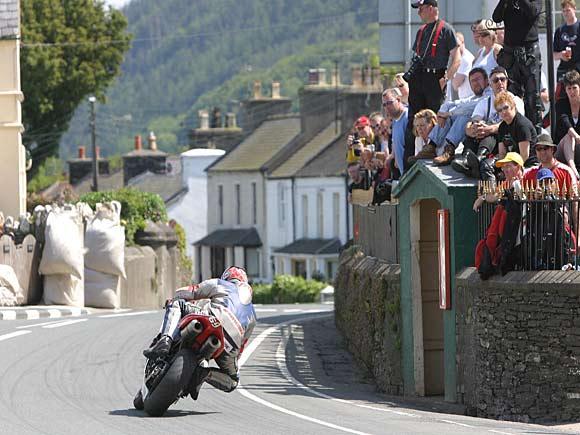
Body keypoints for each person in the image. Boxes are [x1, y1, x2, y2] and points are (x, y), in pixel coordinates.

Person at [143, 266, 257, 396]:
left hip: (212, 318)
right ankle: (203, 374)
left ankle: (166, 340)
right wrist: (231, 355)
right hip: (229, 344)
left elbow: (191, 291)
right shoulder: (253, 315)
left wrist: (174, 297)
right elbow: (241, 348)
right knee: (233, 381)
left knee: (177, 304)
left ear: (227, 277)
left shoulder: (221, 284)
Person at [404, 0, 461, 170]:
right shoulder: (421, 31)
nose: (419, 13)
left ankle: (435, 153)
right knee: (414, 121)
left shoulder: (446, 29)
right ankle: (412, 161)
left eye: (421, 9)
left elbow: (456, 58)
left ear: (430, 8)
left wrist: (446, 78)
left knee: (435, 119)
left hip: (435, 77)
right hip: (419, 78)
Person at [451, 66, 525, 177]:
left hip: (508, 139)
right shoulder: (485, 102)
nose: (500, 83)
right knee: (478, 127)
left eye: (502, 79)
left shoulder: (515, 100)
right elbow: (473, 120)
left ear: (507, 82)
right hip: (486, 139)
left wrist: (489, 129)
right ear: (490, 84)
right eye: (496, 80)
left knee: (492, 129)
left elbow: (515, 122)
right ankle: (467, 158)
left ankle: (479, 159)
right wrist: (472, 129)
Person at [412, 67, 491, 162]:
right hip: (471, 128)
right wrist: (442, 115)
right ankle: (431, 147)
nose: (475, 83)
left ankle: (450, 150)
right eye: (472, 81)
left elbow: (471, 107)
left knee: (464, 115)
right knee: (448, 117)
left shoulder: (490, 95)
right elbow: (449, 104)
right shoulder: (472, 98)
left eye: (478, 79)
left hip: (484, 128)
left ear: (486, 80)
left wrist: (449, 113)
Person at [493, 0, 543, 131]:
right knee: (511, 95)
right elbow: (496, 17)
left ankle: (534, 134)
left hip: (529, 51)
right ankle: (513, 133)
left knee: (533, 97)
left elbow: (533, 12)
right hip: (511, 52)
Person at [495, 91, 538, 166]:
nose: (503, 112)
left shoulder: (522, 125)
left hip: (529, 165)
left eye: (505, 108)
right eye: (500, 110)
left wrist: (510, 170)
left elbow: (524, 156)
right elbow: (502, 153)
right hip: (512, 163)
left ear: (513, 106)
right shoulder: (502, 127)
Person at [555, 70, 580, 180]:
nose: (572, 91)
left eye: (574, 88)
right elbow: (566, 123)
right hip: (562, 148)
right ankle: (573, 171)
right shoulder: (561, 104)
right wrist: (576, 135)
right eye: (569, 88)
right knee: (569, 137)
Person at [383, 87, 409, 176]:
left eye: (389, 103)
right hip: (403, 174)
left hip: (411, 172)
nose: (387, 107)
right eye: (384, 105)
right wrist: (393, 156)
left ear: (398, 99)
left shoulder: (408, 117)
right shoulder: (395, 120)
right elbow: (396, 141)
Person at [553, 0, 580, 82]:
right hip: (564, 71)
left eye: (568, 10)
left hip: (578, 70)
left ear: (574, 9)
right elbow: (553, 55)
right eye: (563, 11)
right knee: (560, 95)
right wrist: (561, 55)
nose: (565, 13)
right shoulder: (559, 30)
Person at [446, 32, 475, 101]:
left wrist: (451, 73)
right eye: (453, 46)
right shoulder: (459, 58)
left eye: (458, 45)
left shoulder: (465, 59)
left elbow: (456, 85)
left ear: (463, 43)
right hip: (465, 99)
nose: (456, 48)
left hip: (468, 100)